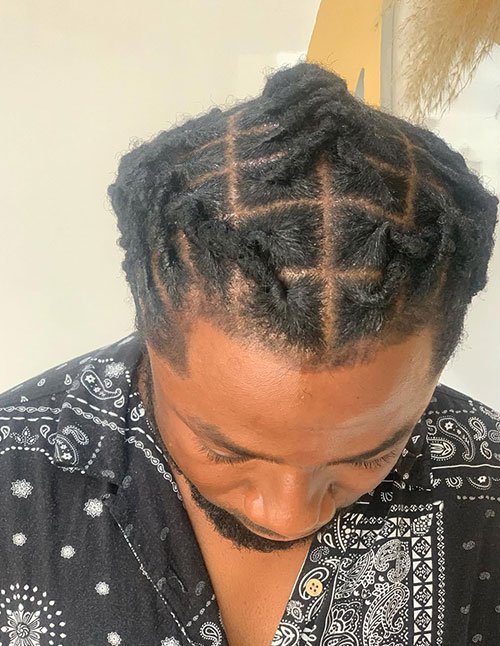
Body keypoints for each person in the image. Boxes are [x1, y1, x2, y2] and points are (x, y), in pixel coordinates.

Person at [0, 62, 499, 646]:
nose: (287, 515)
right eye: (224, 452)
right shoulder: (16, 471)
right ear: (152, 337)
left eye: (367, 457)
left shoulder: (486, 483)